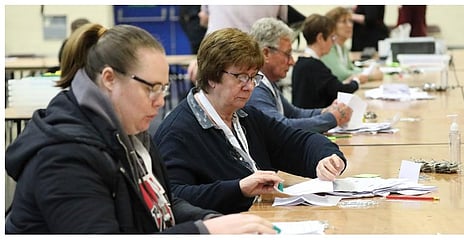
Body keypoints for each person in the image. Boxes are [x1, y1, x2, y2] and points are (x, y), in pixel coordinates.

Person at [5, 23, 278, 234]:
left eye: (163, 88)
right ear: (109, 79)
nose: (160, 101)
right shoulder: (63, 155)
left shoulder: (131, 133)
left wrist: (211, 220)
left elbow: (165, 204)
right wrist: (203, 231)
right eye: (151, 88)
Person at [153, 28, 347, 214]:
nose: (249, 87)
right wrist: (239, 189)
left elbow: (298, 141)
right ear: (212, 76)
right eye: (241, 77)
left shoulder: (246, 116)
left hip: (263, 218)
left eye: (254, 77)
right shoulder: (178, 132)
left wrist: (327, 157)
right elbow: (174, 199)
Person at [246, 17, 352, 133]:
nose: (292, 61)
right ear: (266, 53)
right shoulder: (255, 87)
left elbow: (293, 113)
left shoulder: (267, 81)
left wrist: (326, 111)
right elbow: (280, 127)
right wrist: (331, 118)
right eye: (287, 54)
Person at [292, 13, 362, 109]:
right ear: (320, 38)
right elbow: (340, 91)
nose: (333, 42)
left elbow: (329, 87)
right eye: (332, 37)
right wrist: (356, 81)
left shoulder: (301, 62)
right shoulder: (314, 66)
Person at [321, 6, 383, 83]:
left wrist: (367, 70)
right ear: (332, 26)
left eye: (350, 21)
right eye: (344, 21)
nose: (350, 25)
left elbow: (350, 68)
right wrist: (370, 75)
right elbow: (341, 75)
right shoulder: (328, 47)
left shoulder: (343, 46)